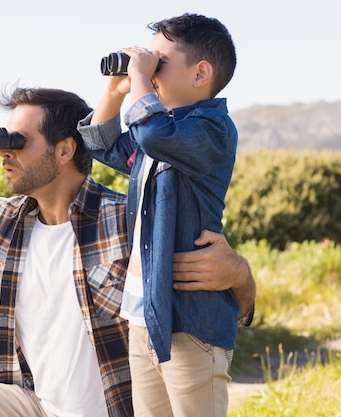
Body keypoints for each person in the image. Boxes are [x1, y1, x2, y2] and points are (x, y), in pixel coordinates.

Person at [0, 87, 255, 417]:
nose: (4, 154)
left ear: (64, 149)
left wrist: (241, 275)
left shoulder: (125, 218)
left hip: (118, 406)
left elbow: (220, 297)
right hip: (34, 403)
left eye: (18, 142)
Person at [78, 13, 243, 417]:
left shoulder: (211, 129)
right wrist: (118, 89)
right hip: (143, 317)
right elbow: (102, 145)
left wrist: (139, 79)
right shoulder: (159, 135)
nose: (150, 71)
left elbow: (151, 132)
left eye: (160, 63)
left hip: (190, 322)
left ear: (201, 73)